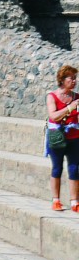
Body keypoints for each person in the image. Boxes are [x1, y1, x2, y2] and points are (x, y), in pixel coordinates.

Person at [48, 64, 79, 211]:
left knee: (74, 169)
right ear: (62, 79)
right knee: (57, 168)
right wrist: (69, 108)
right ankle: (56, 200)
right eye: (71, 78)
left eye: (75, 78)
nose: (74, 81)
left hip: (74, 137)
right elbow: (53, 116)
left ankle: (74, 202)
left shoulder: (77, 97)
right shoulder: (52, 96)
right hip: (57, 137)